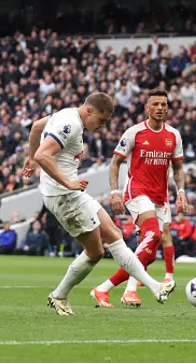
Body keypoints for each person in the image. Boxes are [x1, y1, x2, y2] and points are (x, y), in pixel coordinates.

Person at [22, 92, 175, 316]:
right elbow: (44, 155)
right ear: (89, 110)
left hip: (70, 194)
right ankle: (60, 295)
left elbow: (36, 127)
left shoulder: (64, 114)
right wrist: (66, 180)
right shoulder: (71, 124)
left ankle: (151, 287)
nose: (101, 126)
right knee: (97, 250)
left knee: (110, 238)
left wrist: (30, 157)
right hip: (64, 196)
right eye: (101, 120)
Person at [91, 89, 187, 308]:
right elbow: (115, 163)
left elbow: (179, 169)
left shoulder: (174, 135)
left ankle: (110, 289)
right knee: (153, 234)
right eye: (155, 104)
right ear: (147, 107)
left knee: (150, 254)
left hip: (160, 197)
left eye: (164, 104)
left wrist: (181, 192)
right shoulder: (134, 133)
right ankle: (126, 289)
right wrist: (114, 192)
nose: (160, 108)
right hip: (137, 191)